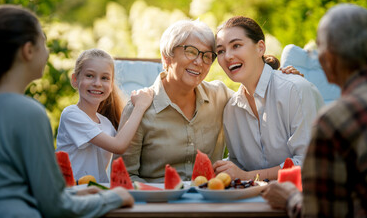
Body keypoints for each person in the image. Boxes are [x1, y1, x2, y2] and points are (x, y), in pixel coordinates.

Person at [0, 5, 134, 217]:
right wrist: (116, 196)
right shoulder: (29, 112)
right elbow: (55, 206)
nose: (47, 52)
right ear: (28, 51)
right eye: (44, 43)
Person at [115, 19, 300, 183]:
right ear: (167, 57)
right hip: (157, 205)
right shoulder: (139, 108)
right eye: (191, 52)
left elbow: (257, 93)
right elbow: (124, 175)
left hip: (211, 200)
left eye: (207, 56)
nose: (199, 62)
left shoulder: (221, 96)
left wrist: (281, 76)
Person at [262, 3, 367, 217]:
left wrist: (291, 198)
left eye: (320, 48)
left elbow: (322, 213)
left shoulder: (335, 121)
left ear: (328, 59)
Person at [213, 16, 324, 181]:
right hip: (255, 201)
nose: (228, 56)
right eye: (220, 51)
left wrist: (248, 176)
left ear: (260, 48)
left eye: (236, 45)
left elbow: (309, 163)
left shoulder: (295, 89)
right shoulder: (231, 109)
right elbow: (238, 165)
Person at [56, 48, 153, 183]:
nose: (97, 83)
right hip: (73, 191)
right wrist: (140, 107)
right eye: (89, 75)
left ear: (111, 85)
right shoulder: (71, 115)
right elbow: (119, 145)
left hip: (98, 191)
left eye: (105, 78)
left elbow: (125, 145)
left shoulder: (106, 123)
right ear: (75, 80)